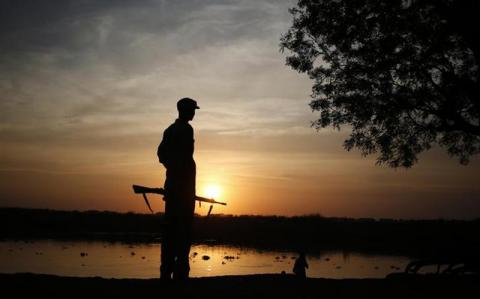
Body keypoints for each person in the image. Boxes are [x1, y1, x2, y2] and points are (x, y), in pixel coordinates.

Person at [157, 97, 200, 280]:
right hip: (183, 191)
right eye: (193, 110)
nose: (194, 113)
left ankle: (166, 272)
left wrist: (171, 168)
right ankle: (180, 275)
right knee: (183, 232)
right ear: (186, 111)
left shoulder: (170, 130)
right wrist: (179, 172)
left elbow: (161, 154)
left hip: (173, 188)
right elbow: (184, 158)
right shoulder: (186, 129)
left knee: (170, 232)